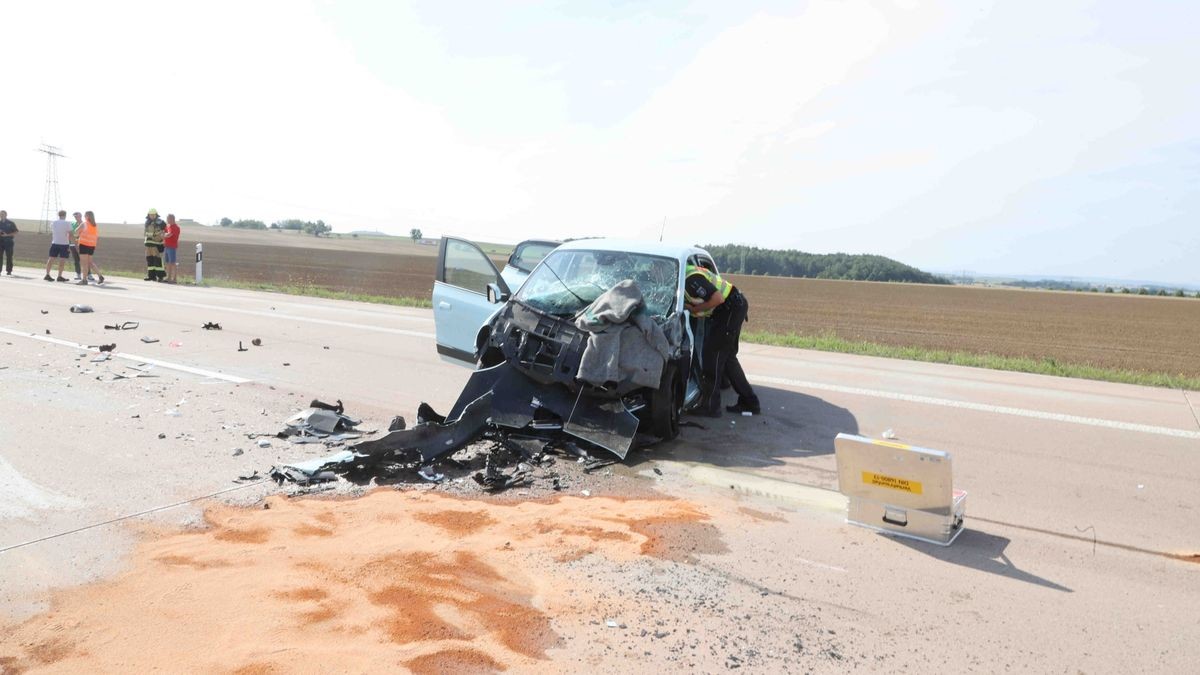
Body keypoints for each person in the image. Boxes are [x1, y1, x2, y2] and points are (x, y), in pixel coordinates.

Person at [685, 262, 760, 416]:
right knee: (726, 359)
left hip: (729, 309)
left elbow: (717, 298)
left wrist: (694, 309)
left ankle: (711, 406)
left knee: (713, 356)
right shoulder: (687, 273)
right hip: (732, 308)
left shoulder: (690, 279)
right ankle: (750, 402)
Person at [76, 211, 105, 285]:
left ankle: (84, 280)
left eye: (85, 215)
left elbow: (76, 231)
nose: (84, 217)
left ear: (87, 216)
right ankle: (100, 276)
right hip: (92, 245)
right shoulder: (94, 225)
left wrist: (79, 234)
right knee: (90, 263)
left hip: (84, 244)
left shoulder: (84, 223)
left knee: (84, 264)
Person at [44, 210, 72, 282]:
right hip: (64, 244)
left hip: (55, 243)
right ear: (65, 215)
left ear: (58, 215)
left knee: (51, 259)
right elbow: (70, 234)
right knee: (62, 260)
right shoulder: (68, 223)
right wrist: (71, 244)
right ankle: (59, 276)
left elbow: (53, 230)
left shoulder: (53, 222)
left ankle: (47, 274)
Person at [143, 208, 166, 281]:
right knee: (149, 260)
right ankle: (151, 276)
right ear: (148, 215)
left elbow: (163, 230)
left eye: (153, 215)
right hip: (148, 244)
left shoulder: (160, 222)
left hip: (155, 244)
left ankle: (160, 276)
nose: (152, 216)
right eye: (150, 215)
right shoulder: (147, 222)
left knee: (157, 260)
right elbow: (145, 233)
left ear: (156, 215)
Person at [163, 213, 181, 283]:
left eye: (168, 219)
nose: (167, 220)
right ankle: (168, 277)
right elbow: (163, 233)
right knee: (167, 263)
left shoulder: (176, 227)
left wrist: (163, 235)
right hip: (167, 247)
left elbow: (168, 235)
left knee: (172, 263)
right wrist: (164, 234)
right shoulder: (168, 226)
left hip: (172, 247)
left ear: (172, 219)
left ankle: (174, 278)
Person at [0, 210, 18, 275]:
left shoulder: (10, 223)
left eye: (3, 214)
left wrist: (6, 235)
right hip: (0, 242)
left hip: (9, 242)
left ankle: (9, 270)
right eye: (0, 214)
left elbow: (16, 232)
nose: (1, 215)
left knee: (9, 256)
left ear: (6, 215)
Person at [69, 211, 84, 279]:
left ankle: (89, 275)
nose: (76, 218)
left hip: (82, 244)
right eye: (74, 216)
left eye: (77, 216)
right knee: (76, 260)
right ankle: (78, 274)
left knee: (84, 260)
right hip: (72, 244)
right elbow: (71, 234)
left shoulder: (84, 224)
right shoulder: (72, 224)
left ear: (80, 216)